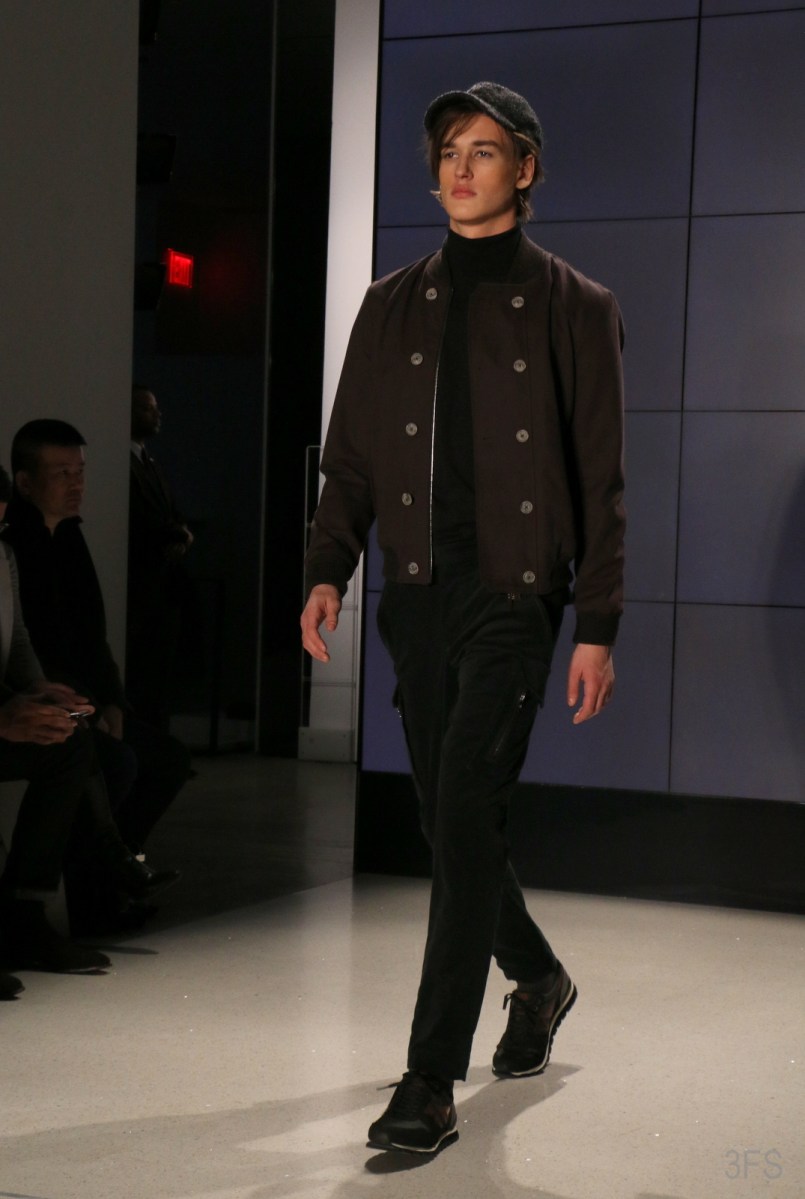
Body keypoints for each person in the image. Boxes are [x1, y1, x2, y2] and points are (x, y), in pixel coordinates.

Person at [301, 82, 625, 1153]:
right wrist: (328, 569)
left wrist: (596, 622)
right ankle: (539, 976)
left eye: (482, 151)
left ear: (523, 169)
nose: (459, 168)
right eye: (448, 150)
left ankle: (429, 1077)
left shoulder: (577, 306)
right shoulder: (390, 302)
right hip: (416, 593)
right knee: (453, 824)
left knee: (466, 806)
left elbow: (601, 479)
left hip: (514, 595)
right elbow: (351, 459)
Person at [3, 420, 190, 883]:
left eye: (80, 472)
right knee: (114, 764)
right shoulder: (15, 546)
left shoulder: (69, 536)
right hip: (44, 697)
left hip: (75, 695)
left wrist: (112, 702)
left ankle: (116, 874)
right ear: (25, 483)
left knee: (167, 761)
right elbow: (31, 646)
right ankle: (99, 887)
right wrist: (79, 702)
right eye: (62, 474)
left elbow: (92, 635)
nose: (77, 484)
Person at [0, 463, 111, 986]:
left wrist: (39, 689)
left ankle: (24, 916)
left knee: (67, 743)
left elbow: (17, 635)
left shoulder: (5, 554)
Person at [127, 385, 193, 728]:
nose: (157, 414)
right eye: (147, 408)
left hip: (161, 585)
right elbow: (142, 518)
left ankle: (155, 740)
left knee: (159, 673)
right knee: (142, 671)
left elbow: (172, 513)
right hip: (141, 585)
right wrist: (176, 535)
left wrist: (181, 534)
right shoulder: (129, 464)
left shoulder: (149, 463)